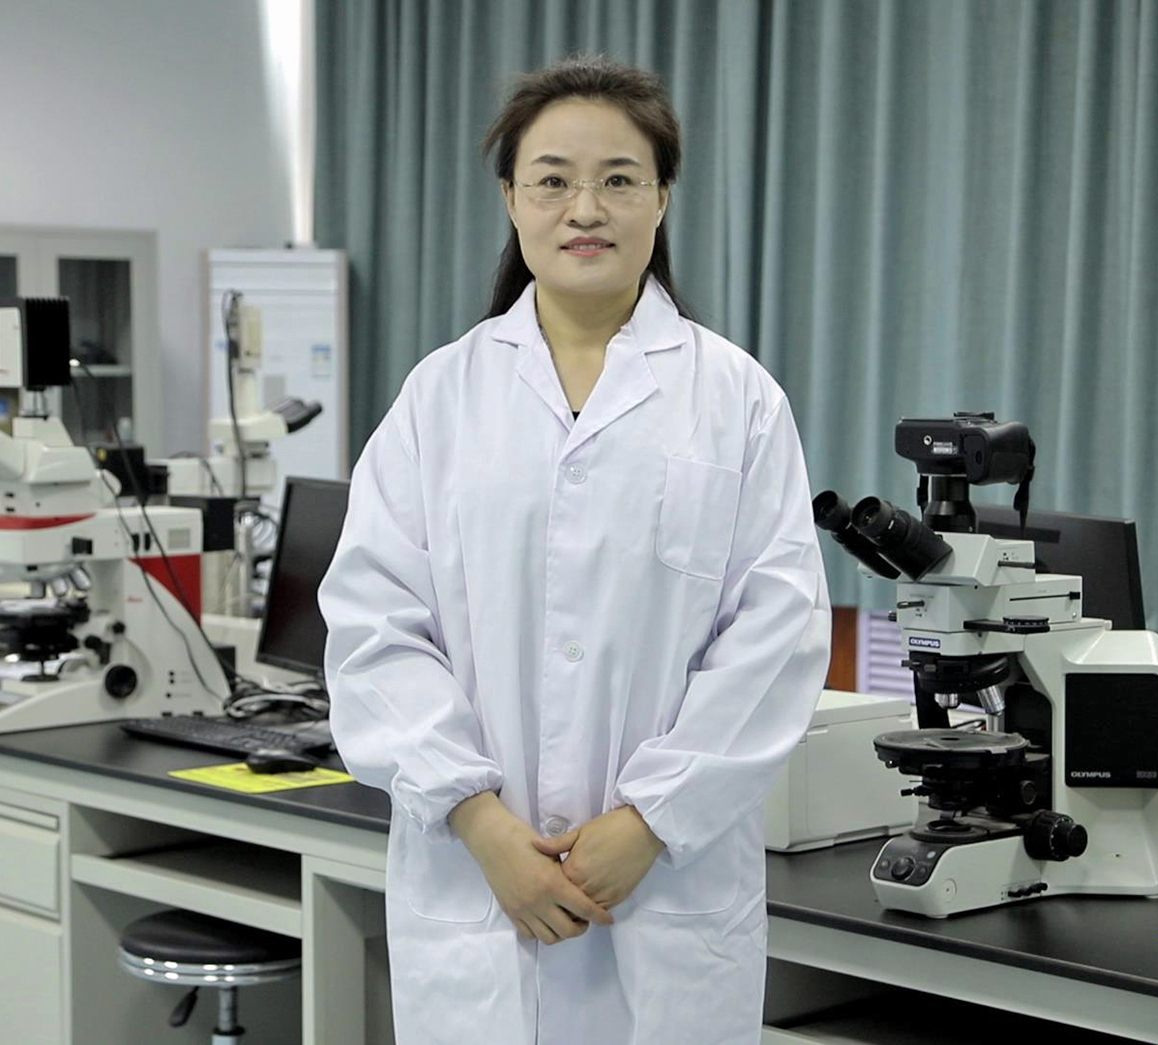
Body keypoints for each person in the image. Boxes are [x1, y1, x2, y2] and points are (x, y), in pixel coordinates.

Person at [319, 53, 831, 1045]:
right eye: (552, 179)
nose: (584, 209)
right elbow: (374, 628)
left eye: (618, 179)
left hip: (664, 891)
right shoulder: (439, 398)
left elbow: (773, 639)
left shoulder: (736, 403)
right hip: (478, 889)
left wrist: (649, 820)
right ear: (510, 198)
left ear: (661, 198)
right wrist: (479, 822)